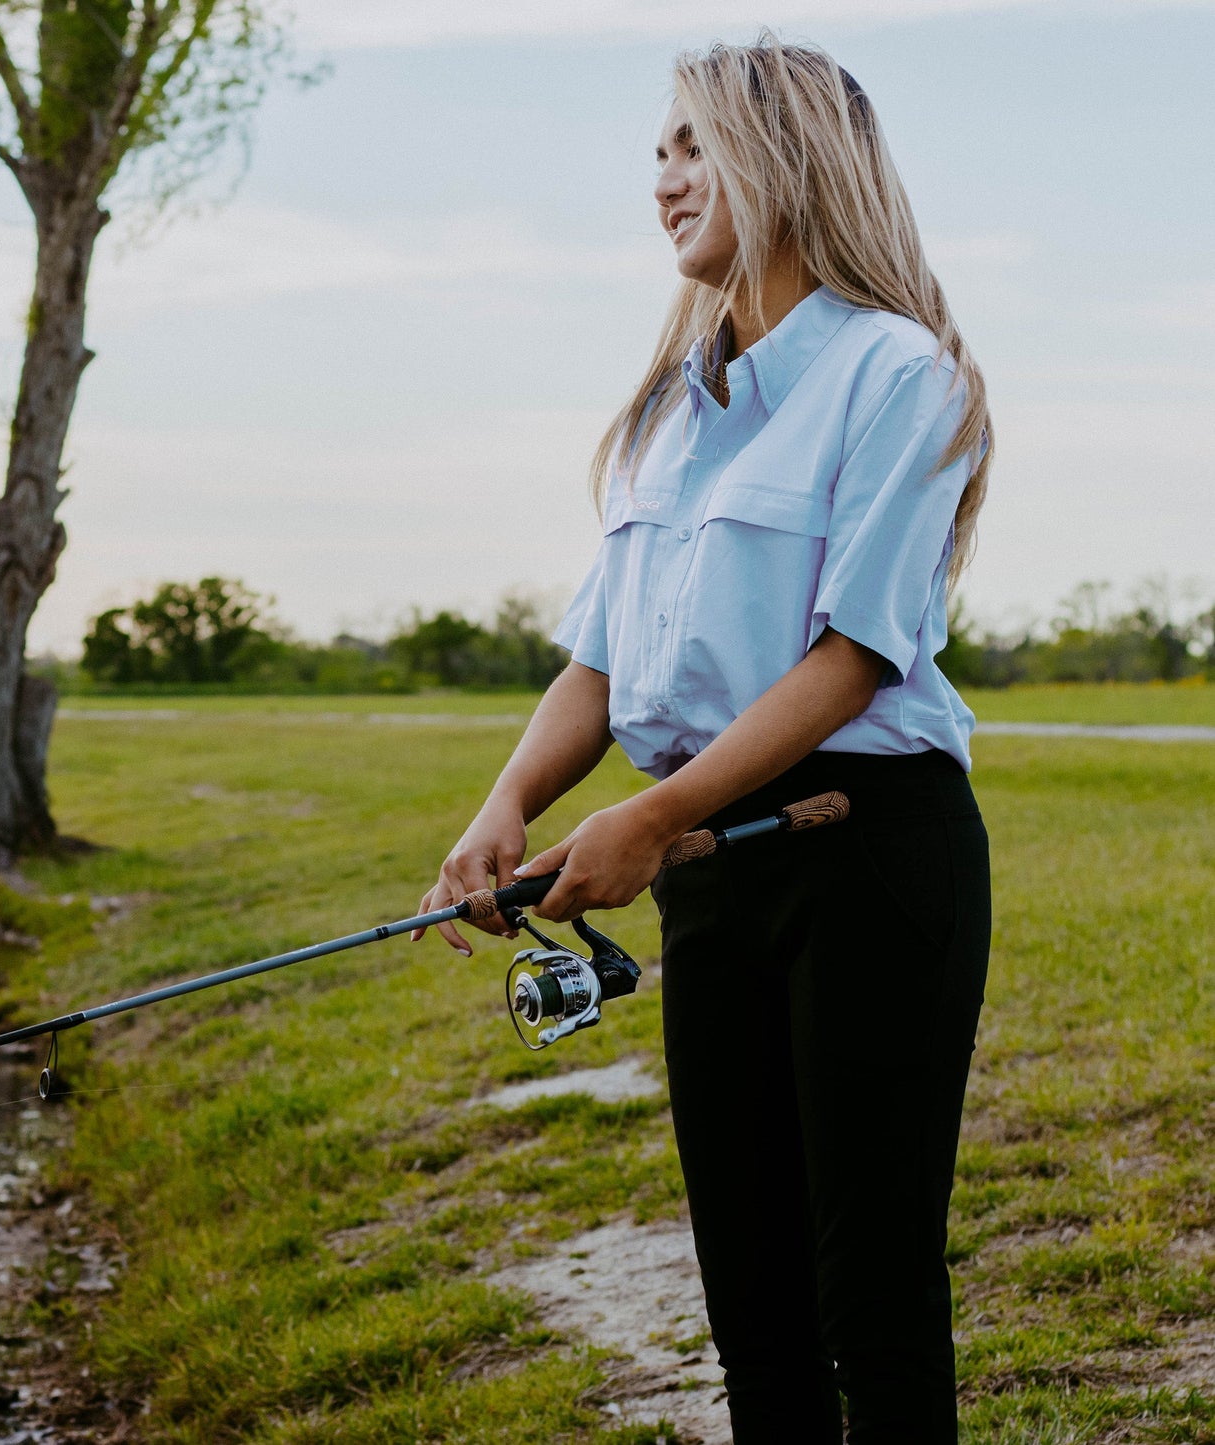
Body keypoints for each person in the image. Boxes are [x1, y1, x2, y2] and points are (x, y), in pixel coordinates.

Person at [413, 33, 993, 1445]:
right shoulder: (670, 411)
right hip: (708, 863)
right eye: (658, 151)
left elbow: (852, 657)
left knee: (869, 1297)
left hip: (869, 853)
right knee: (751, 1300)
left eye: (691, 147)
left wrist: (650, 818)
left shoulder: (900, 373)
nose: (664, 179)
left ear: (782, 160)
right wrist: (507, 802)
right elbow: (600, 659)